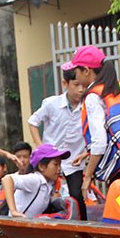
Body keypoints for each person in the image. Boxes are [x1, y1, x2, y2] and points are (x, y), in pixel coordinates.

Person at [61, 45, 120, 196]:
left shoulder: (93, 96)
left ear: (86, 71)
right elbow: (118, 129)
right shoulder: (117, 87)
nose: (75, 75)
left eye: (76, 71)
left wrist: (88, 176)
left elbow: (100, 142)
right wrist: (87, 154)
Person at [28, 65, 88, 218]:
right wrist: (40, 147)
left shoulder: (89, 106)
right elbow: (33, 122)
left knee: (77, 195)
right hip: (50, 159)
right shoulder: (51, 104)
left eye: (83, 85)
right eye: (76, 85)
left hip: (73, 159)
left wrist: (86, 153)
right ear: (65, 84)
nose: (80, 90)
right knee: (42, 191)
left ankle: (84, 228)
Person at [0, 144, 70, 218]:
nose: (59, 168)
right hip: (16, 225)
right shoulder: (36, 179)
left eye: (60, 164)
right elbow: (6, 179)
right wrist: (13, 211)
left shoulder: (49, 183)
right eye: (56, 164)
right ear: (42, 166)